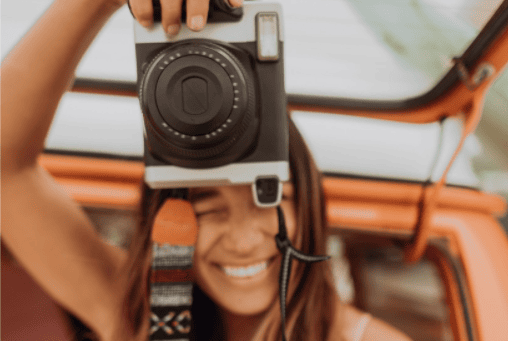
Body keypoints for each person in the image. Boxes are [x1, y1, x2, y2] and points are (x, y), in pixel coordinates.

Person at [2, 0, 412, 340]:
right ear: (167, 224)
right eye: (207, 208)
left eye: (270, 198)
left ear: (311, 210)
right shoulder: (141, 318)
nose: (242, 239)